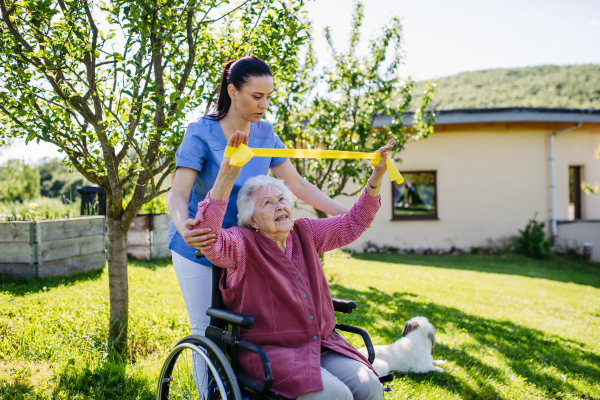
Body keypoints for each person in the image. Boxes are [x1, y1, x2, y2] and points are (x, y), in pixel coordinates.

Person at [194, 130, 395, 400]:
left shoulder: (305, 233)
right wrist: (225, 178)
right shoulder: (241, 243)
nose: (279, 207)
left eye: (282, 200)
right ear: (252, 220)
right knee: (335, 396)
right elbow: (208, 239)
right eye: (268, 203)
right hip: (272, 353)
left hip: (321, 343)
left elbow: (352, 222)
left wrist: (375, 179)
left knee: (370, 387)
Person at [167, 56, 350, 345]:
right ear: (233, 92)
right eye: (256, 96)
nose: (264, 104)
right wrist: (184, 226)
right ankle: (209, 392)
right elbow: (177, 193)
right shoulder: (200, 133)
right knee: (206, 330)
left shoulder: (266, 134)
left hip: (245, 247)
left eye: (268, 97)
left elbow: (297, 183)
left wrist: (344, 214)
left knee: (243, 330)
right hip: (200, 245)